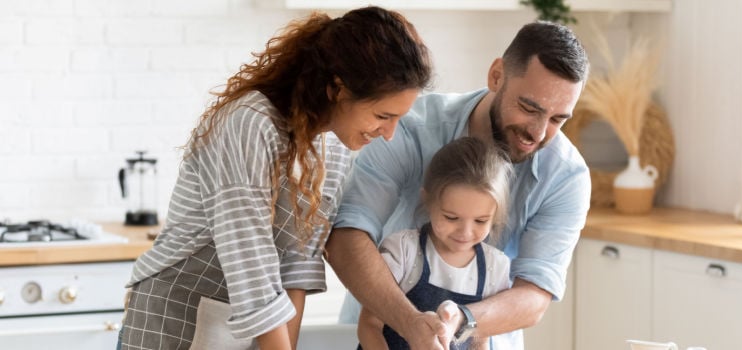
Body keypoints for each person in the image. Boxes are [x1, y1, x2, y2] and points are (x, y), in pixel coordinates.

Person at [117, 6, 432, 350]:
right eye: (382, 116)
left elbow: (298, 263)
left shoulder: (334, 146)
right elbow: (250, 260)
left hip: (243, 330)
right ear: (338, 89)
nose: (388, 134)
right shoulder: (250, 123)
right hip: (172, 319)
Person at [326, 20, 590, 350]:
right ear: (497, 75)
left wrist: (460, 320)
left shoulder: (567, 176)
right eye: (528, 108)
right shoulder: (409, 127)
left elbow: (535, 294)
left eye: (556, 120)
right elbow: (347, 235)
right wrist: (411, 324)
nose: (537, 133)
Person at [357, 137, 513, 350]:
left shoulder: (496, 267)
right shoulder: (403, 251)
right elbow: (369, 325)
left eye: (480, 221)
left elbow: (480, 339)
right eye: (451, 217)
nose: (465, 232)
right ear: (428, 201)